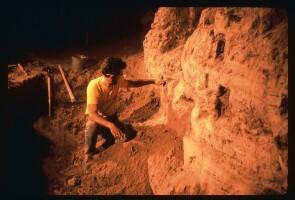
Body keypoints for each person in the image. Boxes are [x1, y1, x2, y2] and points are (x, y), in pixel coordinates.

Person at [84, 56, 163, 162]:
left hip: (111, 117)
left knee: (127, 136)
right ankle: (89, 153)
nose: (121, 76)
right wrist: (110, 125)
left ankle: (109, 140)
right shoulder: (94, 86)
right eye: (119, 74)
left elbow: (134, 83)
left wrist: (153, 81)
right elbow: (92, 114)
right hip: (98, 119)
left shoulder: (116, 81)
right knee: (91, 125)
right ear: (110, 76)